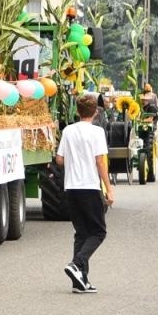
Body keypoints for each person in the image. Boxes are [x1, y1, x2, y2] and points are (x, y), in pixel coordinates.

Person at [56, 93, 112, 294]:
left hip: (71, 187)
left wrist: (74, 159)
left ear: (77, 111)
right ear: (95, 111)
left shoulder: (68, 131)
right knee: (98, 232)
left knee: (81, 233)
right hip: (90, 186)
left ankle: (80, 281)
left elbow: (59, 159)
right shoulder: (97, 132)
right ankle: (77, 263)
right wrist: (109, 188)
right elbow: (100, 162)